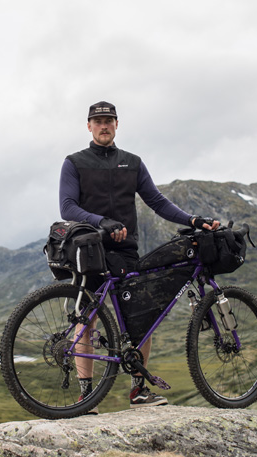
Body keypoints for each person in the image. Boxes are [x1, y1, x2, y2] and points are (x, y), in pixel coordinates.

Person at [59, 101, 219, 412]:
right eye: (98, 121)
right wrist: (102, 222)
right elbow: (68, 207)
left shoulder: (132, 163)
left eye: (109, 121)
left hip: (126, 252)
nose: (104, 126)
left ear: (117, 125)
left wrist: (193, 220)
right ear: (88, 126)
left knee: (141, 320)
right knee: (86, 319)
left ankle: (138, 391)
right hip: (91, 247)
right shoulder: (74, 162)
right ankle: (85, 397)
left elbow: (157, 201)